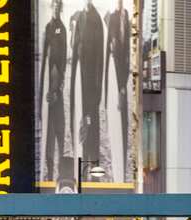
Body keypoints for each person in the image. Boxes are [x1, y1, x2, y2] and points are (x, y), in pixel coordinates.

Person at [69, 0, 105, 170]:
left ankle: (94, 162)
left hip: (92, 82)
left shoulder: (96, 19)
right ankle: (83, 162)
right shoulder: (79, 17)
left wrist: (98, 89)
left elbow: (100, 57)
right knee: (81, 119)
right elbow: (74, 47)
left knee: (92, 121)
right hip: (79, 80)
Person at [39, 0, 68, 182]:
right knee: (48, 131)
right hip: (48, 90)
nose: (56, 8)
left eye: (58, 6)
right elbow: (43, 60)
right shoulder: (48, 28)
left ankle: (60, 170)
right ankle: (49, 170)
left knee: (59, 128)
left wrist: (58, 87)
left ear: (61, 8)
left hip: (57, 87)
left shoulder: (61, 29)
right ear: (51, 7)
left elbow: (63, 60)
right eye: (54, 5)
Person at [104, 0, 131, 178]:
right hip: (116, 77)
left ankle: (121, 162)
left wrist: (123, 84)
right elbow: (112, 49)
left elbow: (127, 50)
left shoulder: (126, 16)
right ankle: (117, 167)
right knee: (117, 118)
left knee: (124, 122)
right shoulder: (111, 18)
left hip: (123, 76)